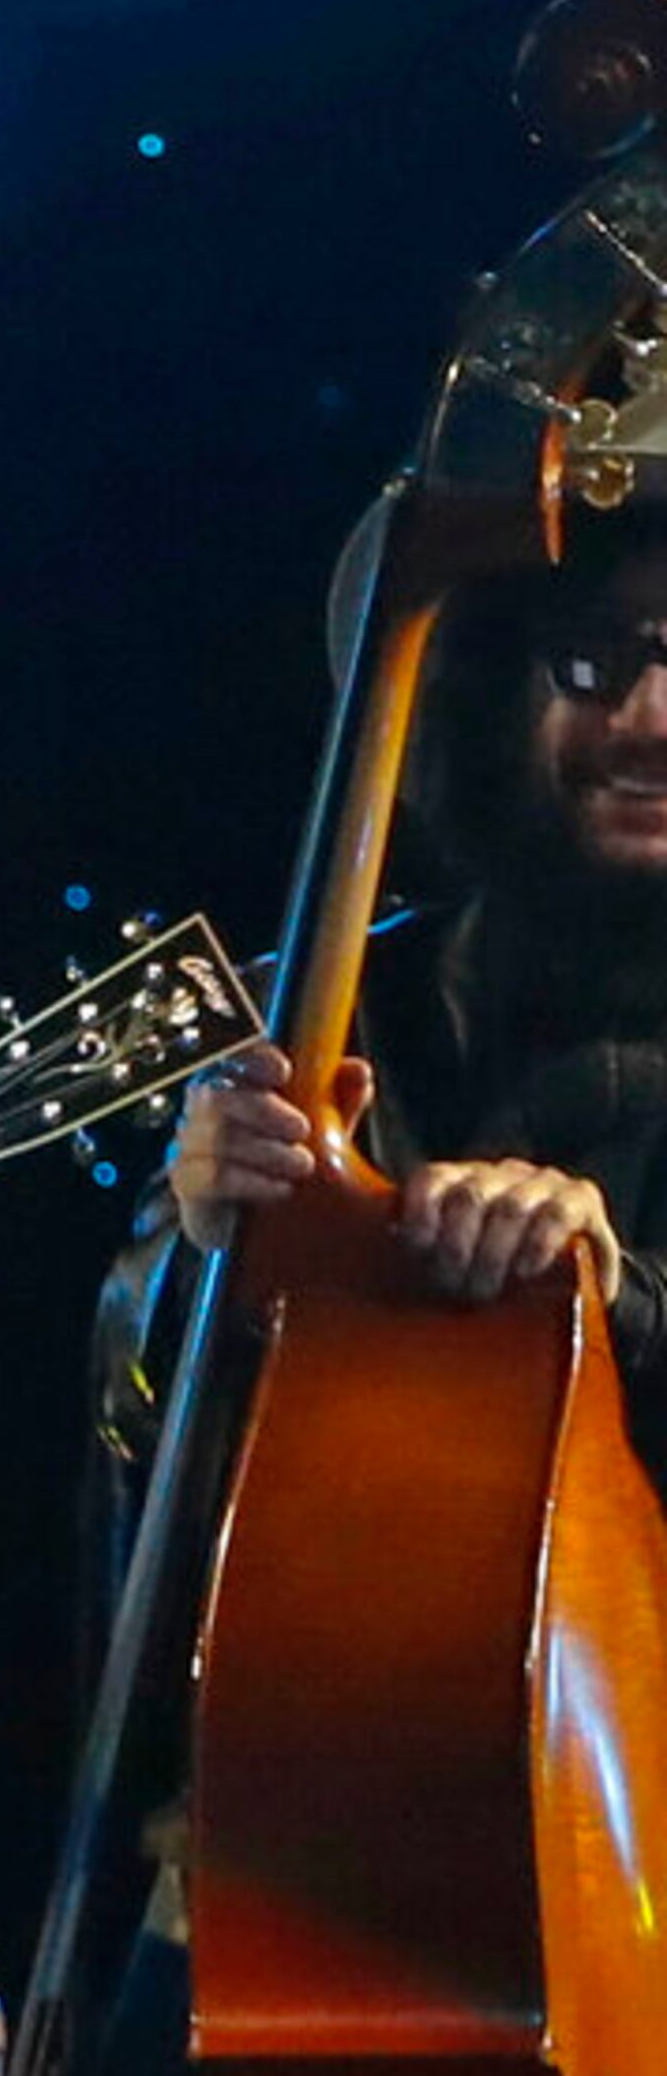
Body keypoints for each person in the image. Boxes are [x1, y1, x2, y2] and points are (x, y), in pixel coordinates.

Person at [158, 516, 667, 1474]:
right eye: (590, 659)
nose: (651, 721)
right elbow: (125, 1411)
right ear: (493, 692)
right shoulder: (324, 1007)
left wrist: (617, 1298)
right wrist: (202, 1251)